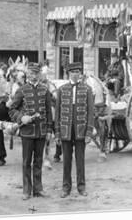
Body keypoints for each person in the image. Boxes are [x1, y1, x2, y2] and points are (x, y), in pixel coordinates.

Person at [8, 62, 53, 200]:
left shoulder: (45, 90)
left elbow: (48, 111)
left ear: (39, 74)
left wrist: (49, 130)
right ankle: (27, 190)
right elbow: (11, 110)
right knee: (27, 161)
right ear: (28, 74)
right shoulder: (22, 90)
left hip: (41, 132)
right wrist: (22, 117)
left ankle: (38, 189)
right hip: (27, 132)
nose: (34, 76)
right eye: (31, 73)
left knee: (38, 161)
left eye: (36, 73)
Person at [55, 62, 95, 198]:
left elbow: (91, 112)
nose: (75, 74)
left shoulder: (87, 89)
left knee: (80, 160)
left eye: (78, 72)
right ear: (68, 74)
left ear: (80, 74)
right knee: (66, 160)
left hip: (80, 131)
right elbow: (58, 113)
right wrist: (58, 133)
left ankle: (81, 187)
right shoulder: (61, 90)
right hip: (66, 131)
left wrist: (89, 132)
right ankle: (66, 188)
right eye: (73, 72)